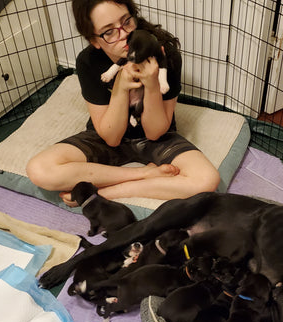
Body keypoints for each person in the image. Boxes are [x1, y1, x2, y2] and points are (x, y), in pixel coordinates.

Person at [26, 0, 220, 206]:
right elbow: (111, 138)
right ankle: (143, 174)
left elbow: (155, 132)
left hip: (156, 138)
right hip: (108, 134)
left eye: (126, 21)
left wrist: (152, 84)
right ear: (94, 40)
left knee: (207, 180)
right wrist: (120, 88)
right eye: (109, 32)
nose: (124, 35)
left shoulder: (164, 53)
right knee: (40, 170)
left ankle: (106, 193)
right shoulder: (88, 61)